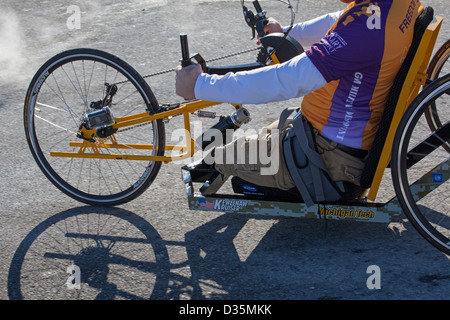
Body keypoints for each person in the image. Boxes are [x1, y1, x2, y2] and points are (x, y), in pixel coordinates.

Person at [175, 0, 424, 204]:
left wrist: (200, 86)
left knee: (222, 155)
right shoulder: (393, 7)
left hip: (328, 160)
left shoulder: (366, 32)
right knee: (250, 140)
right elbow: (339, 20)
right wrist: (286, 33)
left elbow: (288, 79)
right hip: (326, 136)